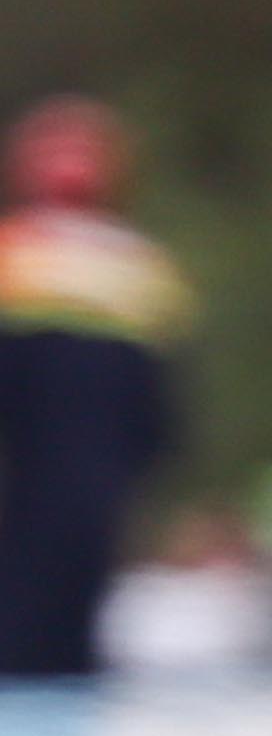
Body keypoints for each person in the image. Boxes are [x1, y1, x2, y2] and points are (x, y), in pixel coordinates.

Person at [0, 99, 190, 679]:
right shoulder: (12, 251)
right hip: (25, 470)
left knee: (77, 608)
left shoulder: (144, 265)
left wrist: (150, 466)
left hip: (97, 479)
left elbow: (158, 387)